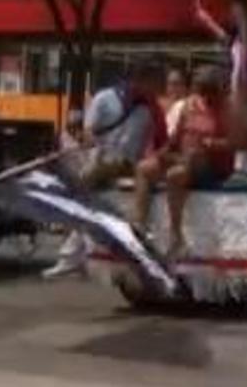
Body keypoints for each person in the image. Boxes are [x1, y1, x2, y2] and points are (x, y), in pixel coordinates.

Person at [42, 63, 166, 279]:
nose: (158, 88)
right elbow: (88, 133)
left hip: (129, 164)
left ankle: (70, 256)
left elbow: (160, 140)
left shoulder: (151, 108)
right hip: (103, 159)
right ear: (140, 80)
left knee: (82, 194)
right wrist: (85, 137)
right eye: (155, 82)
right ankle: (71, 255)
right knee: (84, 199)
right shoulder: (105, 99)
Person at [134, 65, 233, 257]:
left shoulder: (227, 110)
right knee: (144, 168)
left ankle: (176, 234)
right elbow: (176, 138)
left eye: (209, 91)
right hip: (183, 156)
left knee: (176, 174)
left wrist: (212, 144)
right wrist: (162, 152)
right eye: (201, 91)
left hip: (210, 163)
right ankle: (140, 225)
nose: (205, 97)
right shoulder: (188, 106)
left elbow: (237, 142)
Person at [193, 0, 247, 173]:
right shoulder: (244, 18)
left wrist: (243, 69)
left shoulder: (242, 8)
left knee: (246, 111)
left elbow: (246, 37)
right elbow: (206, 18)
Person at [161, 68, 189, 138]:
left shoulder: (188, 107)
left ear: (185, 87)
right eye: (169, 84)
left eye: (176, 84)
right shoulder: (159, 105)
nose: (172, 88)